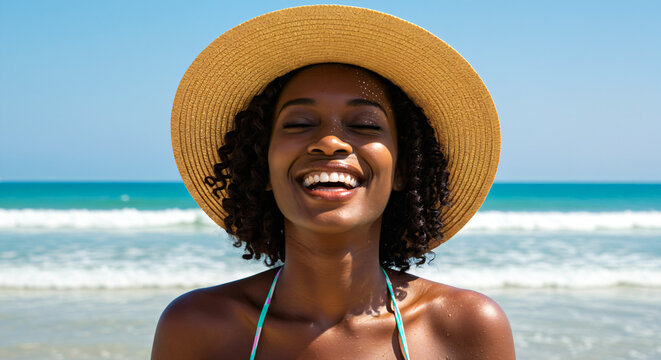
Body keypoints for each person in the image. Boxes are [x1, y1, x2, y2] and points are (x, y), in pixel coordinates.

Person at [153, 5, 515, 359]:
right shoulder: (196, 327)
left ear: (403, 169)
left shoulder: (465, 326)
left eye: (365, 125)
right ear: (261, 167)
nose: (330, 141)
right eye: (297, 124)